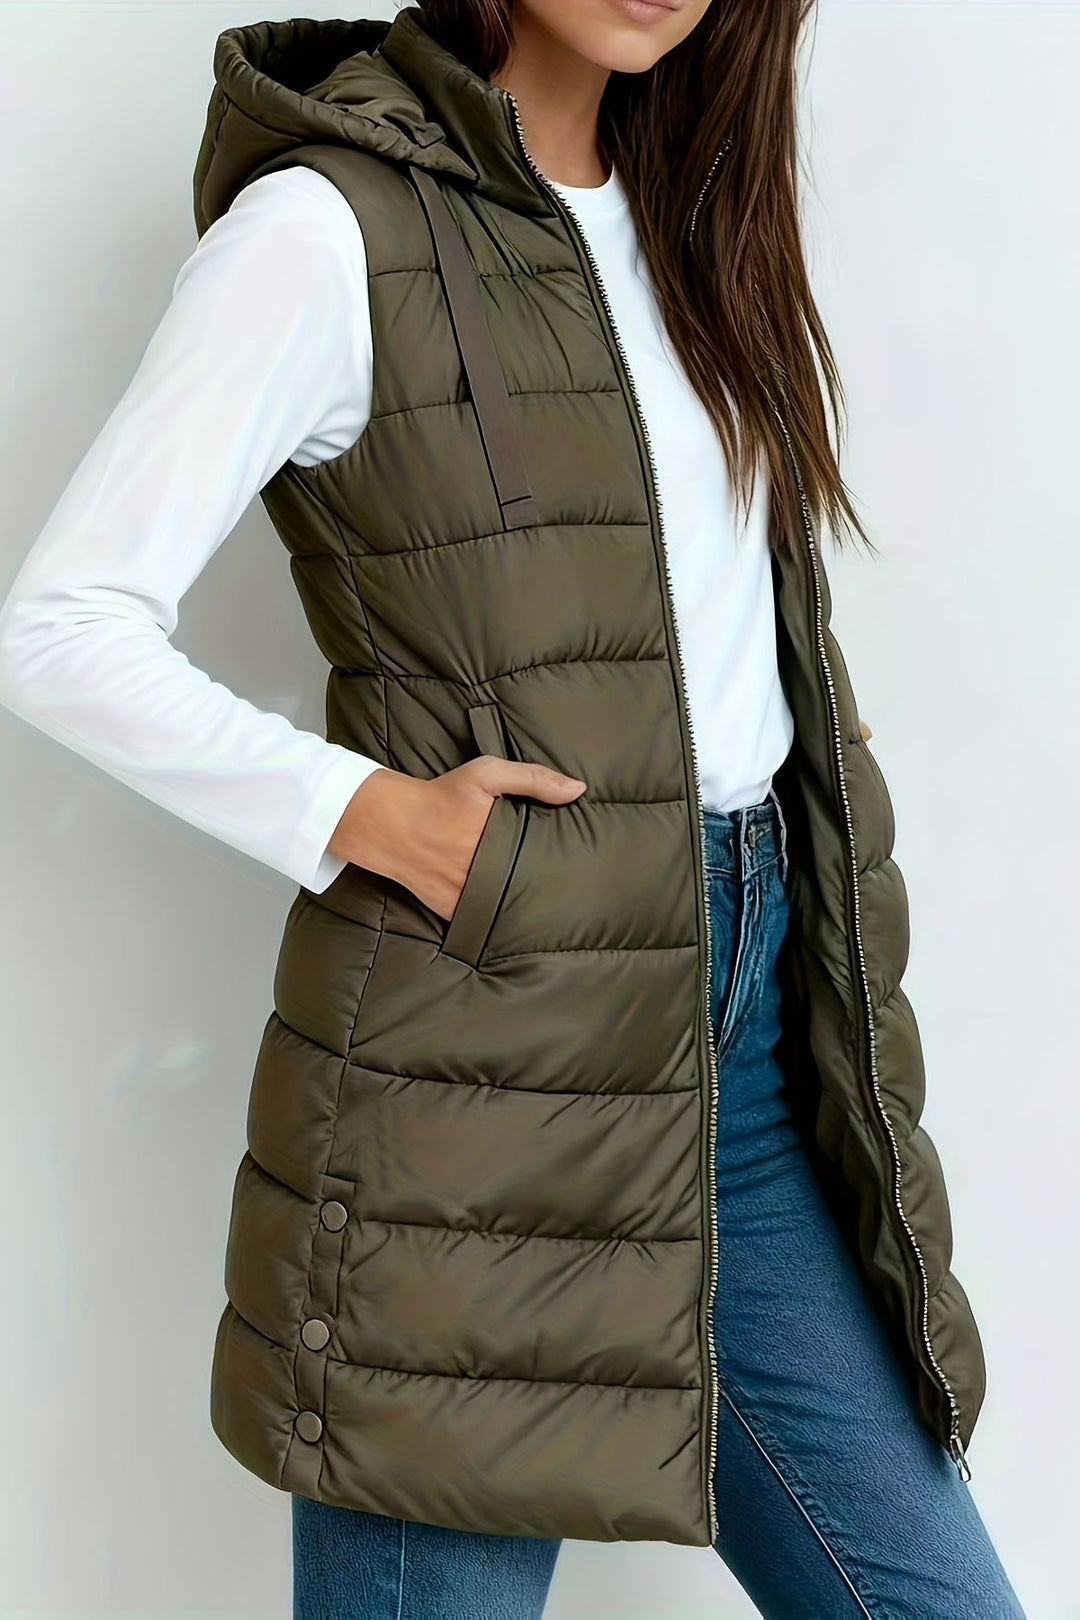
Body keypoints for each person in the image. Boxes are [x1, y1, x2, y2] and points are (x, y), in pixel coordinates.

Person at [0, 2, 1027, 1616]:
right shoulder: (328, 229)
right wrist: (365, 811)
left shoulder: (697, 212)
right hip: (480, 1094)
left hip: (748, 1073)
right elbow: (62, 628)